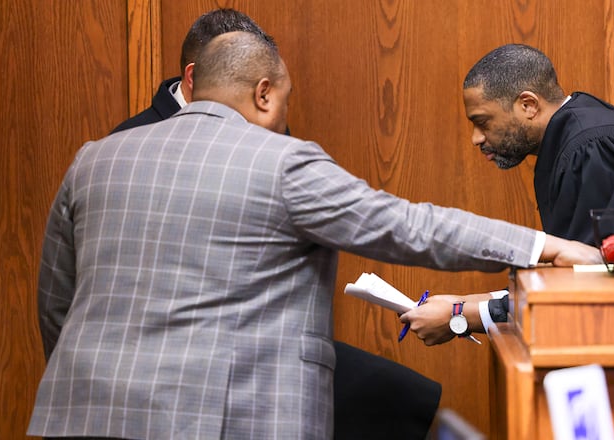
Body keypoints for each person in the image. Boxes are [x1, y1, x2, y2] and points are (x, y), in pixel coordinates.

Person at [28, 31, 601, 439]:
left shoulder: (94, 159)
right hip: (223, 420)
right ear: (263, 93)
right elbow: (408, 226)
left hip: (82, 412)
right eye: (285, 100)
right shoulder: (277, 162)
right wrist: (543, 246)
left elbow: (57, 299)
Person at [109, 8, 441, 439]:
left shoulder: (266, 127)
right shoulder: (126, 149)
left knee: (404, 398)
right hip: (168, 358)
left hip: (266, 344)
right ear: (196, 77)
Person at [400, 43, 614, 346]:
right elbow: (580, 273)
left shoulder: (594, 150)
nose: (477, 138)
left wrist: (462, 315)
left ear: (528, 105)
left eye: (483, 121)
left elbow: (597, 287)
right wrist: (464, 303)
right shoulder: (579, 137)